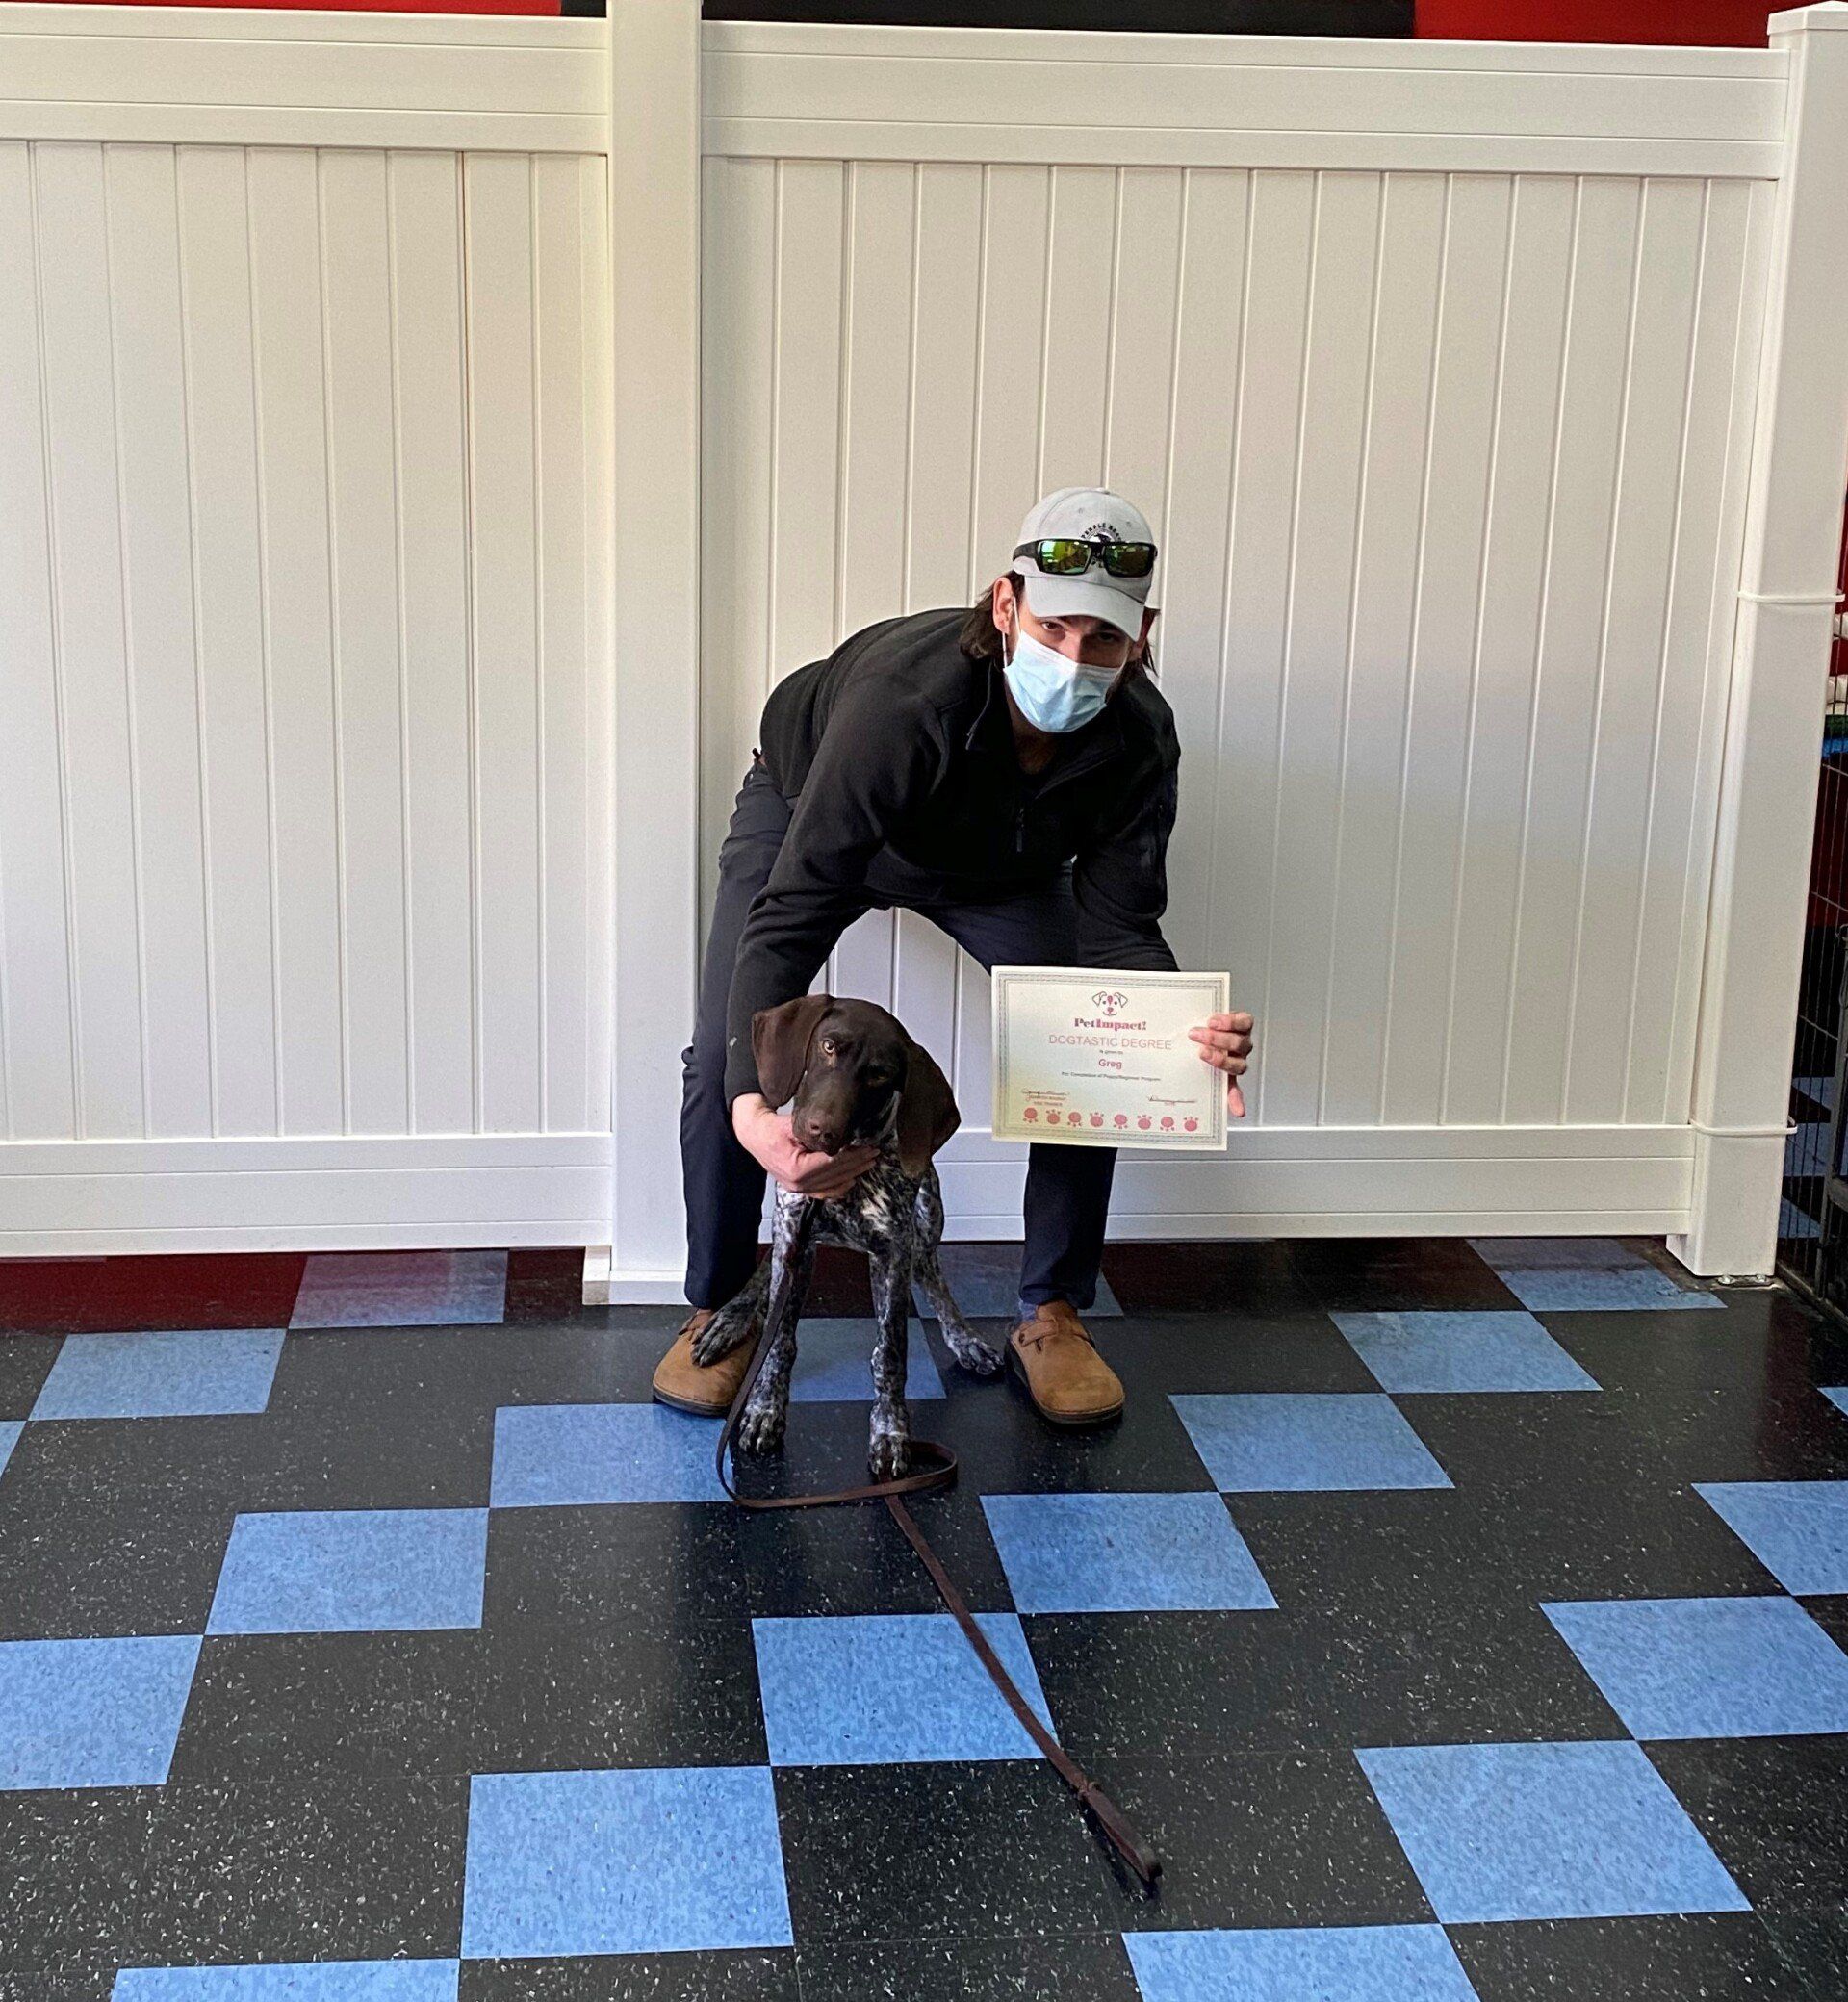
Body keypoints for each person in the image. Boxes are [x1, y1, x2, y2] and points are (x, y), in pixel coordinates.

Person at [653, 486, 1255, 1426]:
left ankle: (1051, 1312)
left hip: (993, 864)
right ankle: (719, 1300)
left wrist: (1175, 1032)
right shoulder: (904, 704)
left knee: (1079, 1029)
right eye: (1054, 628)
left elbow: (1120, 930)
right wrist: (750, 1109)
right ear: (1003, 603)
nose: (1074, 659)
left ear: (1142, 638)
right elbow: (792, 911)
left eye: (1103, 641)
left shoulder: (1140, 737)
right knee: (722, 1043)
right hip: (816, 803)